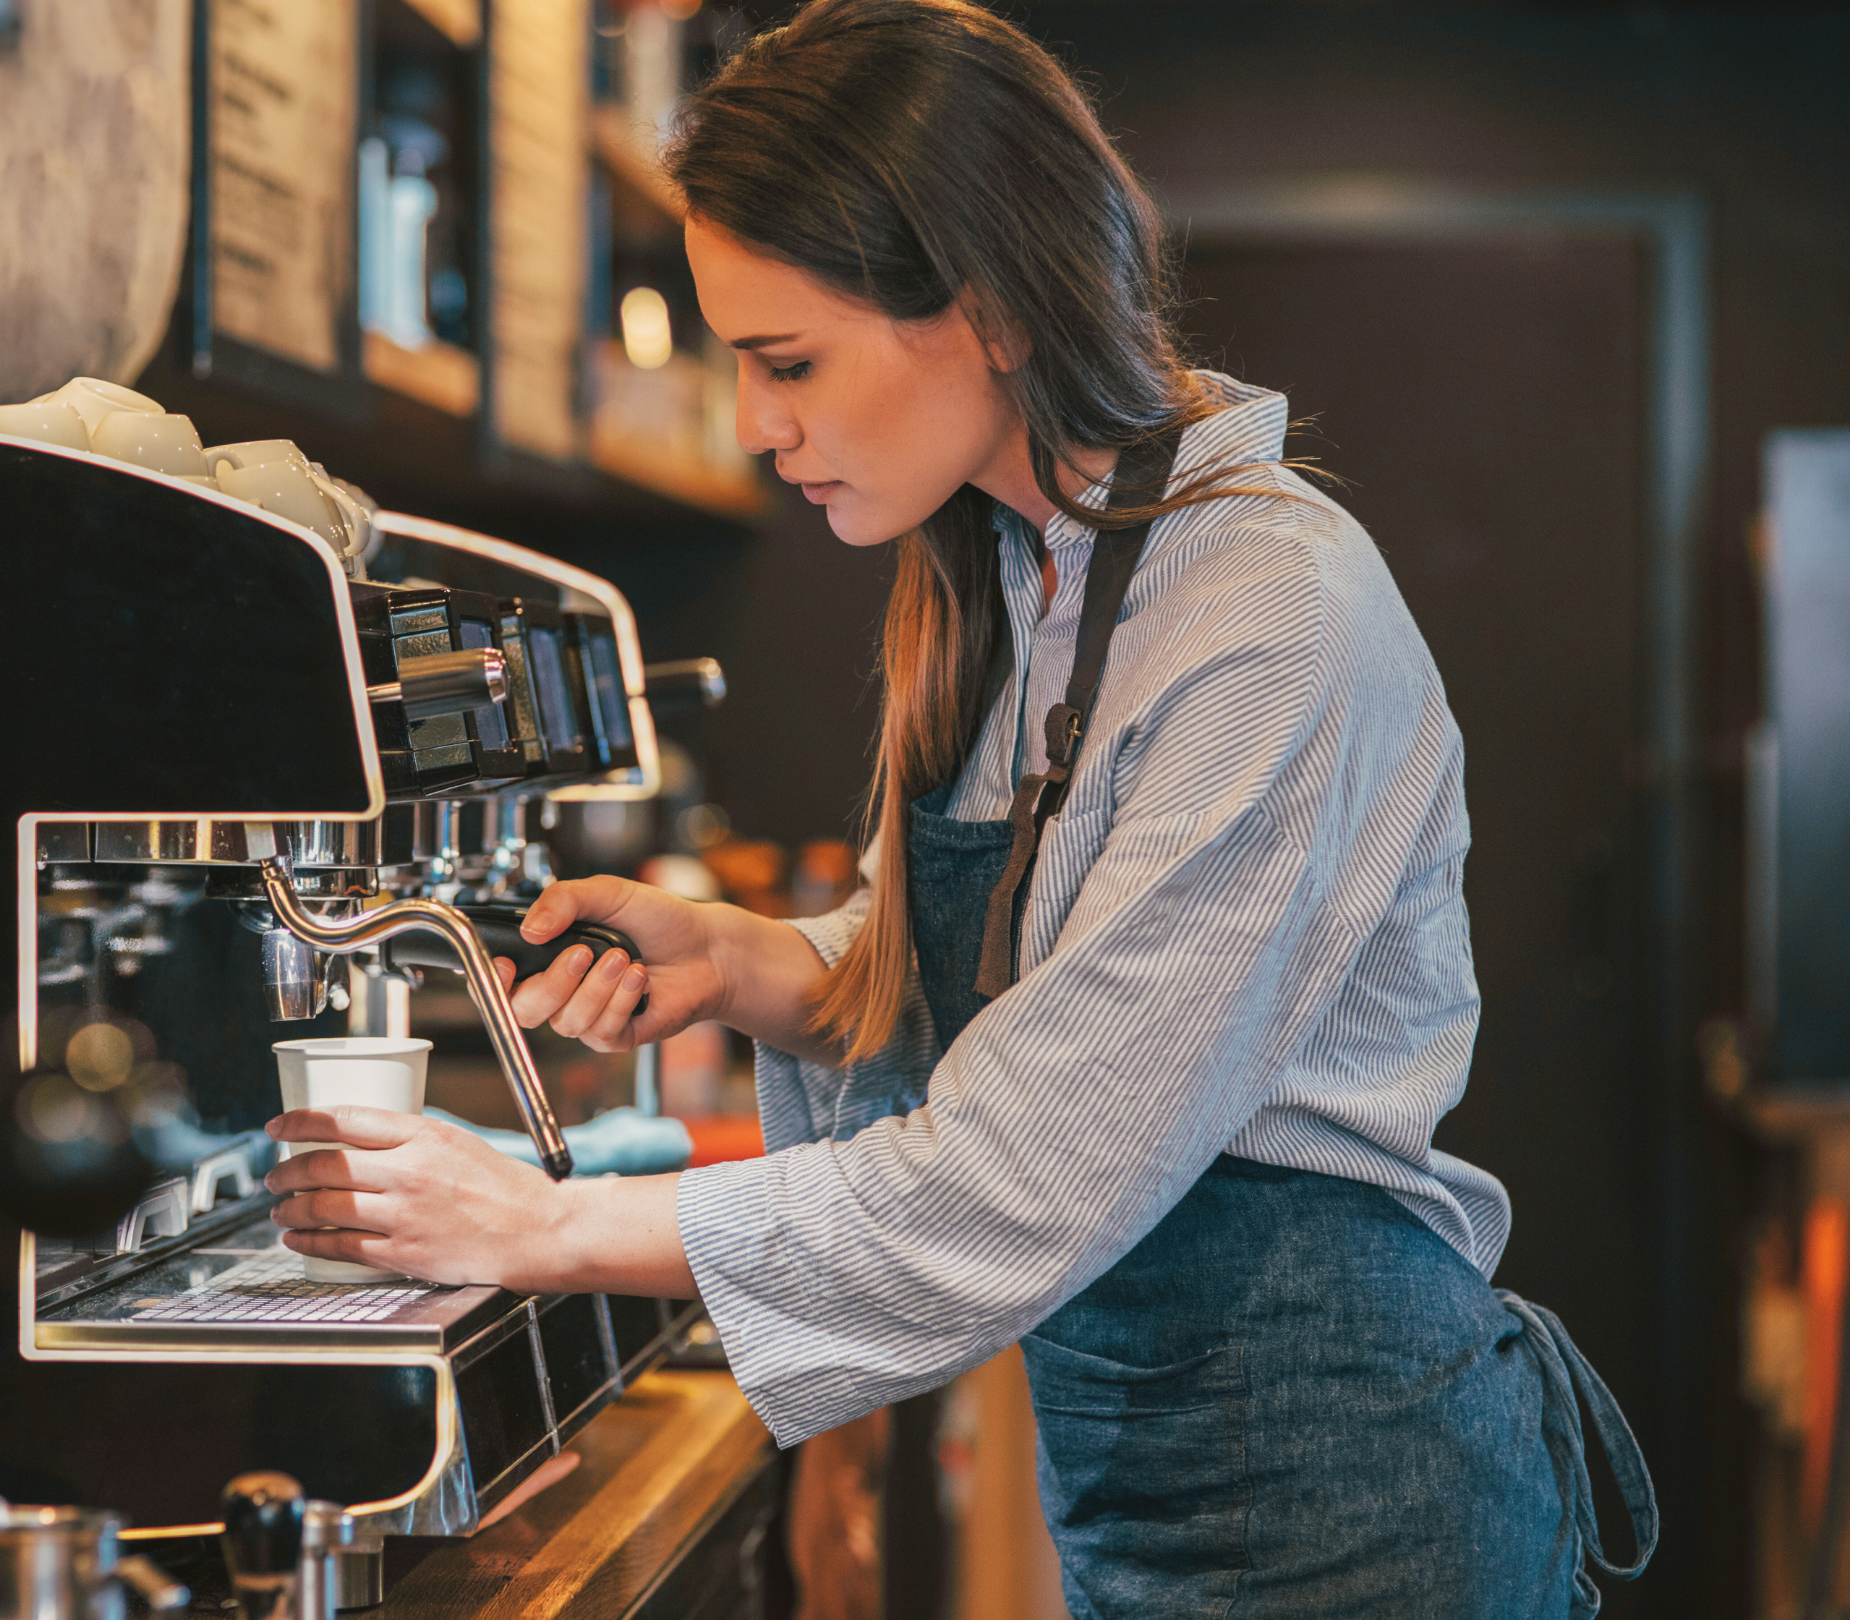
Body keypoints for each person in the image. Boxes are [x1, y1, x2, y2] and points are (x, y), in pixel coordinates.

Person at [264, 0, 1657, 1611]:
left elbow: (1027, 1167)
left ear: (987, 306)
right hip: (1153, 1487)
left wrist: (540, 1224)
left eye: (787, 361)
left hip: (1364, 1507)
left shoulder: (1262, 619)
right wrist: (748, 963)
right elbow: (1034, 961)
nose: (754, 423)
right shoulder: (1021, 576)